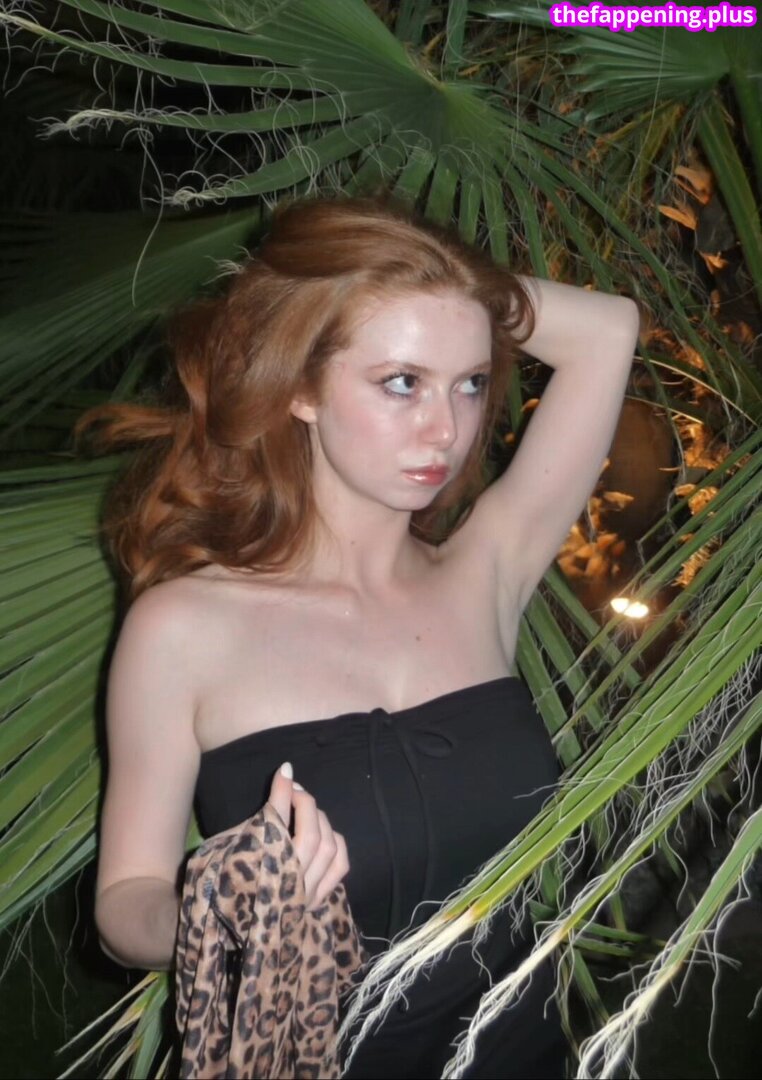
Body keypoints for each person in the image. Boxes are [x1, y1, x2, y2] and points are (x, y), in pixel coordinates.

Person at [80, 195, 639, 1078]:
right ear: (299, 387)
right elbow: (124, 901)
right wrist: (217, 911)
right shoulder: (187, 627)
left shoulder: (483, 574)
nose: (446, 429)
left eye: (470, 383)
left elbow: (608, 328)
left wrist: (448, 292)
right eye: (401, 382)